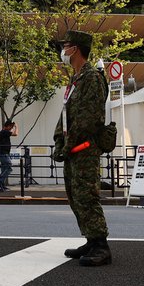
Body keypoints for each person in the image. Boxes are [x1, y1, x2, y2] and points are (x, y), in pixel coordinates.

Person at [53, 31, 111, 266]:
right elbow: (66, 114)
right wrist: (59, 139)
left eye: (65, 46)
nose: (63, 51)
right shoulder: (75, 79)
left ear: (75, 49)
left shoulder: (92, 78)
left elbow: (89, 118)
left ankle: (101, 246)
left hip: (84, 149)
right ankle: (90, 239)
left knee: (87, 196)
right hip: (72, 149)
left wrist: (68, 145)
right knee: (75, 196)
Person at [0, 118, 19, 192]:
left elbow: (11, 132)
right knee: (9, 167)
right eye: (11, 126)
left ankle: (1, 185)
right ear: (8, 126)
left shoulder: (4, 132)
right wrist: (16, 127)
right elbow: (16, 134)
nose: (11, 128)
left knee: (4, 168)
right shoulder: (4, 132)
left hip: (3, 153)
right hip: (3, 153)